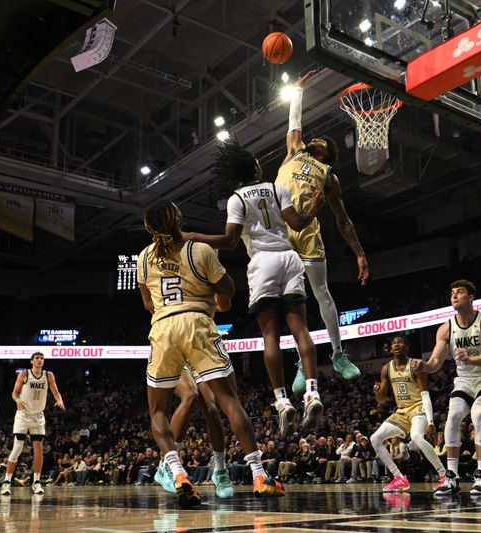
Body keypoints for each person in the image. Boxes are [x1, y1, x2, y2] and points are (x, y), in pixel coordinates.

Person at [137, 200, 284, 508]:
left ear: (151, 229)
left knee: (158, 411)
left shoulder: (144, 257)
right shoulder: (200, 249)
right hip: (197, 324)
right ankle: (259, 474)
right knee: (229, 401)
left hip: (163, 328)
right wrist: (209, 280)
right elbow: (228, 290)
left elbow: (149, 305)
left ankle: (178, 473)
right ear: (178, 219)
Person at [183, 140, 325, 437]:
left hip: (263, 263)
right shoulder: (277, 188)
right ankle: (313, 393)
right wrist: (313, 207)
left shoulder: (237, 198)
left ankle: (282, 401)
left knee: (270, 336)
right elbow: (298, 223)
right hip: (289, 258)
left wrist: (194, 236)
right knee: (301, 330)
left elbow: (230, 241)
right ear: (256, 168)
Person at [277, 69, 370, 392]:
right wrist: (298, 90)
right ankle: (303, 362)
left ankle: (338, 354)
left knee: (322, 294)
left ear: (328, 153)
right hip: (281, 232)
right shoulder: (293, 151)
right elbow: (294, 123)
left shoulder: (329, 176)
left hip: (307, 235)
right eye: (313, 138)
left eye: (322, 141)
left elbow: (343, 220)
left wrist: (359, 253)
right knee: (291, 301)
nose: (315, 138)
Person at [413, 279, 481, 496]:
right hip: (464, 380)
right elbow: (436, 362)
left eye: (460, 292)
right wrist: (424, 366)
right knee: (453, 416)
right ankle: (451, 478)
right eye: (452, 292)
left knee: (478, 414)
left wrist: (471, 359)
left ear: (471, 297)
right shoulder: (446, 328)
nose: (454, 295)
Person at [371, 335, 446, 493]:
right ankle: (399, 478)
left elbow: (425, 394)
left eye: (401, 342)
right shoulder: (386, 368)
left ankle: (444, 475)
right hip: (401, 411)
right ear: (390, 348)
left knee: (417, 437)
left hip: (418, 407)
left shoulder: (415, 365)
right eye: (394, 343)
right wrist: (377, 392)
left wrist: (431, 422)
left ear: (407, 347)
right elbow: (382, 399)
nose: (397, 344)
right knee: (375, 438)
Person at [154, 369, 233, 499]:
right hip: (175, 356)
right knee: (190, 396)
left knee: (211, 408)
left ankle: (219, 470)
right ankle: (166, 465)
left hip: (196, 357)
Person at [1, 352, 65, 496]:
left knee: (38, 449)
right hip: (23, 415)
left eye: (42, 358)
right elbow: (14, 393)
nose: (40, 360)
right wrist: (17, 401)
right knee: (17, 448)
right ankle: (6, 483)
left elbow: (56, 392)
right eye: (37, 358)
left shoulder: (49, 375)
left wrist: (59, 400)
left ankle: (36, 482)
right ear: (31, 361)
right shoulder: (24, 374)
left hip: (38, 416)